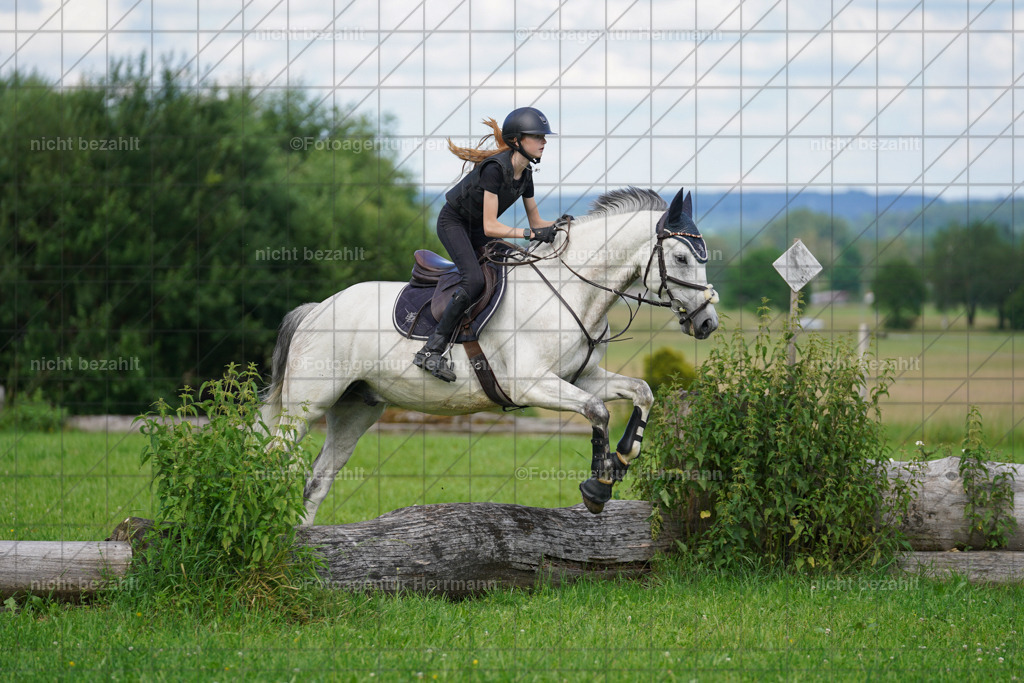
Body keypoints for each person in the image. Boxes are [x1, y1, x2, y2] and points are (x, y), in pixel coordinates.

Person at [413, 107, 560, 382]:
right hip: (454, 223)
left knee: (513, 264)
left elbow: (537, 221)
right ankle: (432, 350)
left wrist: (562, 227)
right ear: (518, 141)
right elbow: (492, 226)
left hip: (478, 228)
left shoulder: (525, 174)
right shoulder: (494, 170)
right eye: (538, 136)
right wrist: (530, 235)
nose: (544, 141)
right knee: (473, 282)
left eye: (544, 136)